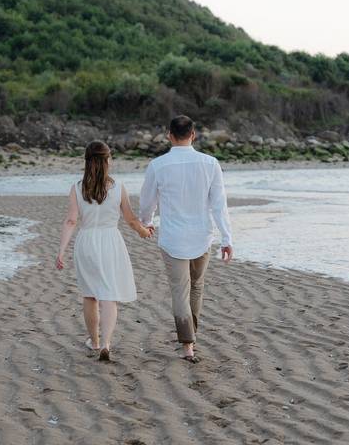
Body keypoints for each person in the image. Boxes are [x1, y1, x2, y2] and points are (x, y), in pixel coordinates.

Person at [139, 115, 233, 363]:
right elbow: (219, 204)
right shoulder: (210, 163)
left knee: (180, 290)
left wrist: (146, 222)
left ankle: (187, 344)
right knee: (197, 287)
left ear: (169, 134)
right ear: (193, 135)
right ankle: (191, 337)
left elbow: (147, 201)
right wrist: (226, 238)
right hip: (202, 236)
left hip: (172, 238)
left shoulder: (158, 165)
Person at [56, 140, 153, 361]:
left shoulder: (77, 187)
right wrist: (144, 232)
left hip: (87, 241)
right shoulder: (118, 187)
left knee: (90, 295)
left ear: (86, 161)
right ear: (108, 160)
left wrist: (61, 251)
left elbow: (71, 221)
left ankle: (95, 341)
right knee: (109, 295)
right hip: (111, 241)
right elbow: (130, 219)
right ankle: (106, 343)